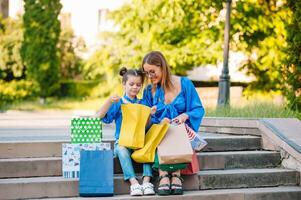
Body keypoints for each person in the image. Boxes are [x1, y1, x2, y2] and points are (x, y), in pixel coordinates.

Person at [141, 51, 205, 195]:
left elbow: (198, 109)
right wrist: (150, 116)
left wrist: (185, 115)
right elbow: (144, 120)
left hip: (181, 132)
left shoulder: (185, 84)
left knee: (175, 131)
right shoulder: (149, 91)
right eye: (147, 73)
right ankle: (163, 174)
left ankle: (176, 174)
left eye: (153, 71)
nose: (150, 76)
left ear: (162, 67)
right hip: (158, 133)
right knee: (163, 131)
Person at [96, 67, 155, 196]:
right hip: (122, 141)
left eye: (138, 85)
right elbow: (100, 116)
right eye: (131, 84)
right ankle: (134, 183)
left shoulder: (143, 103)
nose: (135, 87)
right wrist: (109, 101)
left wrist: (149, 115)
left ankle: (146, 181)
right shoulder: (119, 102)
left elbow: (146, 126)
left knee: (147, 149)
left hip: (139, 140)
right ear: (124, 84)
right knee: (122, 150)